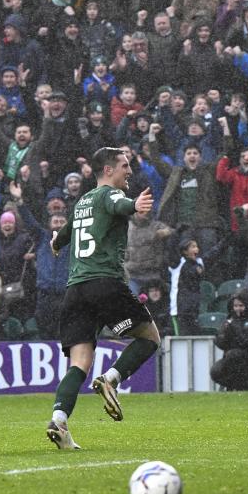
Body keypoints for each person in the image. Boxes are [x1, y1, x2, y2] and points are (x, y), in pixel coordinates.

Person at [46, 147, 159, 449]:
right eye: (124, 166)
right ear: (108, 171)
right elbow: (119, 204)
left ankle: (59, 419)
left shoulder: (82, 202)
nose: (129, 171)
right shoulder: (109, 195)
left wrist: (56, 242)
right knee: (149, 337)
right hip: (104, 283)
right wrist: (135, 204)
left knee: (79, 363)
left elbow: (62, 236)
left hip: (75, 291)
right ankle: (111, 378)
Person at [210, 291, 248, 391]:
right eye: (235, 306)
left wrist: (236, 332)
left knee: (234, 354)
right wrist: (222, 336)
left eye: (241, 305)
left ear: (247, 305)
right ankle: (244, 387)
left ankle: (240, 386)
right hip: (230, 358)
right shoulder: (229, 320)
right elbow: (222, 344)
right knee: (215, 371)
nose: (238, 309)